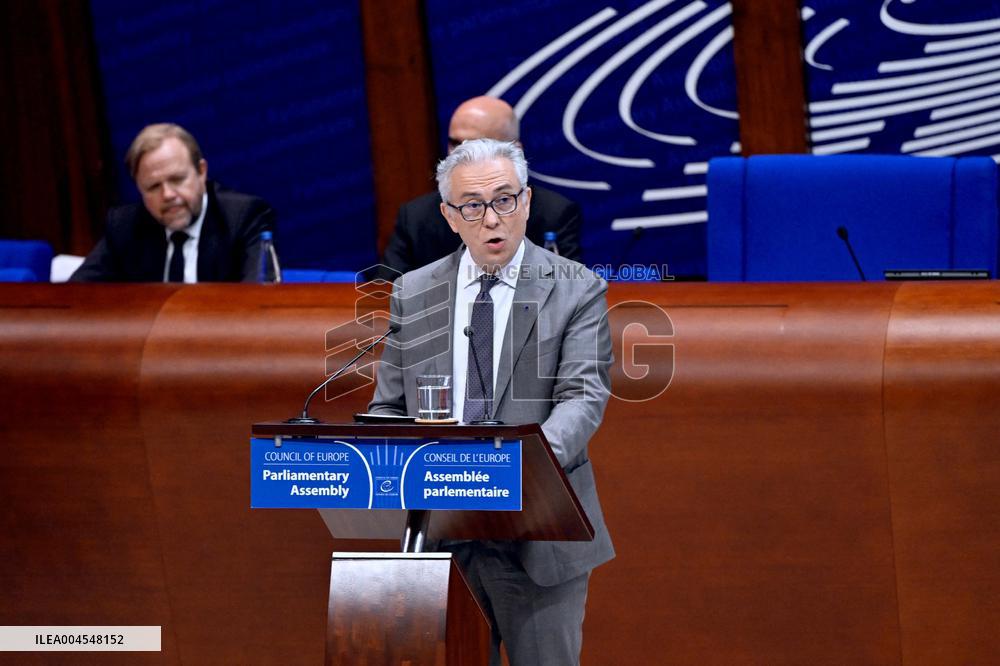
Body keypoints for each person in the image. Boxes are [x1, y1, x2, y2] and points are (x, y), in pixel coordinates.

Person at [368, 139, 613, 665]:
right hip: (443, 533)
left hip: (538, 535)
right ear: (449, 217)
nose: (492, 219)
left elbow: (582, 399)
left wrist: (509, 471)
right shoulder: (413, 291)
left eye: (504, 200)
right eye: (473, 206)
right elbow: (388, 407)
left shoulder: (576, 288)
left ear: (527, 201)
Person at [377, 96, 582, 279]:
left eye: (475, 146)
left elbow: (571, 291)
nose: (459, 155)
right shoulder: (416, 217)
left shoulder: (554, 213)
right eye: (455, 144)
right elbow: (386, 295)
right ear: (449, 215)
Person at [71, 123, 275, 283]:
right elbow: (78, 295)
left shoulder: (242, 217)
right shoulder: (125, 226)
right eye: (153, 186)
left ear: (201, 172)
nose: (167, 194)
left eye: (177, 179)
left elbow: (258, 300)